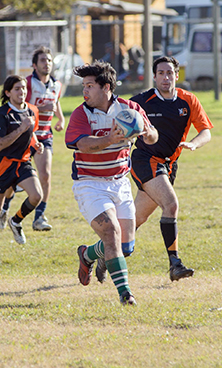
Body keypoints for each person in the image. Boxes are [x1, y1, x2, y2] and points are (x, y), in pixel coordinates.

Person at [96, 56, 213, 284]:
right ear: (154, 76)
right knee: (171, 204)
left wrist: (194, 143)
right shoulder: (142, 101)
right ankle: (175, 264)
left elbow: (205, 131)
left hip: (169, 165)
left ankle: (96, 254)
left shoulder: (188, 100)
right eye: (161, 73)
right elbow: (116, 111)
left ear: (177, 76)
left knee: (134, 221)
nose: (165, 77)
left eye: (170, 73)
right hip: (145, 159)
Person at [65, 61, 158, 306]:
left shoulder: (129, 109)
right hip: (90, 184)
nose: (84, 91)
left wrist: (147, 133)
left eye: (89, 86)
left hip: (120, 182)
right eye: (83, 86)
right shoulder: (80, 113)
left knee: (124, 247)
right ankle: (125, 294)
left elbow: (153, 134)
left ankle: (86, 254)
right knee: (111, 232)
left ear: (106, 87)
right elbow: (82, 144)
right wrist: (109, 138)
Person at [0, 47, 64, 232]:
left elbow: (56, 103)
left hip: (45, 136)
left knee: (46, 175)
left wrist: (61, 118)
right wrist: (42, 109)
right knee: (13, 179)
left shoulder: (57, 84)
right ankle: (5, 209)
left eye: (49, 60)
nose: (46, 63)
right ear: (34, 65)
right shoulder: (28, 83)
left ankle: (39, 217)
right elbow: (21, 106)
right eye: (42, 60)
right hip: (25, 137)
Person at [0, 75, 44, 258]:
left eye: (23, 88)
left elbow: (33, 133)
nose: (21, 92)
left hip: (23, 162)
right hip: (3, 164)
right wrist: (21, 129)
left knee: (36, 195)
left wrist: (36, 144)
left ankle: (15, 221)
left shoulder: (32, 110)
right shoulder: (2, 113)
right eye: (17, 88)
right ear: (8, 93)